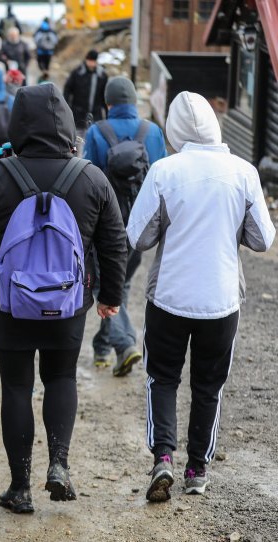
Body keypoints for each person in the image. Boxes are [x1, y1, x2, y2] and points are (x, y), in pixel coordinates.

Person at [0, 84, 127, 513]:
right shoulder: (90, 176)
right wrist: (109, 295)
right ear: (67, 124)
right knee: (61, 378)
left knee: (16, 387)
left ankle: (20, 489)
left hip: (11, 303)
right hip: (68, 303)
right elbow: (114, 243)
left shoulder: (1, 174)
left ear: (19, 124)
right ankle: (59, 465)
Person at [127, 92, 275, 502]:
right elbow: (263, 239)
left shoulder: (164, 172)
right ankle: (197, 469)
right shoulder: (244, 173)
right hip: (222, 299)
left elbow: (137, 238)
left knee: (163, 378)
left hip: (170, 296)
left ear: (174, 130)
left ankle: (163, 458)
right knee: (209, 386)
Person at [83, 76, 167, 375]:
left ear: (108, 104)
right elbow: (163, 178)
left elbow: (86, 178)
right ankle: (103, 350)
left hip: (106, 226)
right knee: (121, 284)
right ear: (133, 101)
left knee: (101, 288)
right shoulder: (153, 132)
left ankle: (126, 344)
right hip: (141, 226)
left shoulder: (96, 131)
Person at [63, 49, 108, 155]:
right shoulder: (77, 73)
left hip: (95, 114)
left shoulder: (102, 75)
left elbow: (105, 96)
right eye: (90, 60)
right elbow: (67, 89)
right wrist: (66, 107)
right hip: (78, 113)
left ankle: (90, 160)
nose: (91, 63)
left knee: (94, 138)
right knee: (76, 140)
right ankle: (75, 160)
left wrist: (107, 114)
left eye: (94, 61)